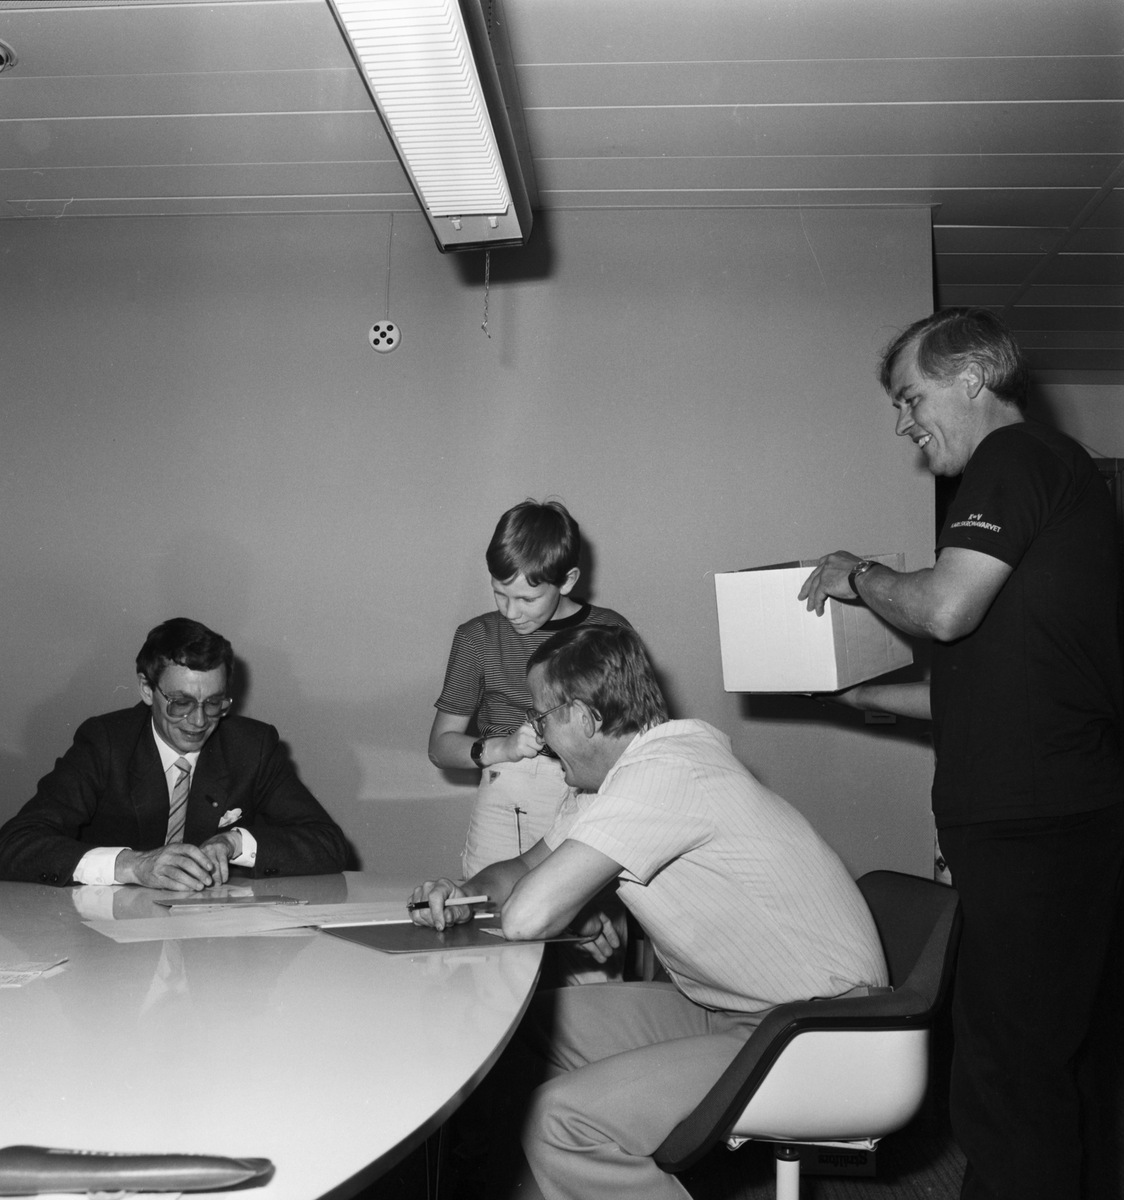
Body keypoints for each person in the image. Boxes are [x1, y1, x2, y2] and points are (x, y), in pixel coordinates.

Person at [798, 307, 1124, 1200]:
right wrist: (861, 699)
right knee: (1046, 1059)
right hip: (1049, 816)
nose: (904, 422)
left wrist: (859, 575)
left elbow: (944, 609)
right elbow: (992, 687)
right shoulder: (1049, 474)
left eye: (912, 397)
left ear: (972, 378)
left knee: (1006, 1075)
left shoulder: (1011, 457)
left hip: (1033, 828)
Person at [412, 624, 887, 1200]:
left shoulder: (666, 772)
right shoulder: (614, 782)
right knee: (517, 1030)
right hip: (738, 1011)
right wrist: (460, 896)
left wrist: (555, 906)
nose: (535, 735)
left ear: (583, 718)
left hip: (823, 1032)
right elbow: (520, 871)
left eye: (541, 718)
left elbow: (526, 916)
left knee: (561, 1123)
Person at [0, 617, 349, 890]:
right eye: (181, 703)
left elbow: (328, 844)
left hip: (211, 946)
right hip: (109, 940)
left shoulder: (252, 746)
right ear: (147, 689)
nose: (199, 721)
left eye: (214, 703)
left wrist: (234, 843)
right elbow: (16, 845)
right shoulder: (106, 743)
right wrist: (133, 866)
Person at [429, 499, 631, 878]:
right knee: (492, 907)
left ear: (567, 580)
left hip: (595, 795)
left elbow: (638, 738)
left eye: (527, 599)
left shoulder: (610, 632)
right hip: (507, 794)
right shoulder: (476, 637)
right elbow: (440, 747)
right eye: (500, 593)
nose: (510, 612)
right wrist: (503, 748)